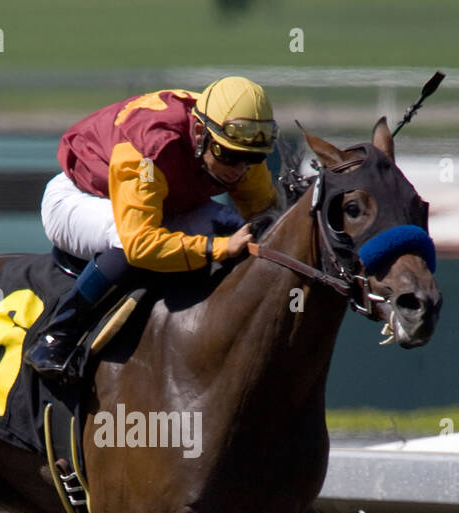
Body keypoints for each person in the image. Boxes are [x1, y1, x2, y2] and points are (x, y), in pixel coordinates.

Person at [24, 75, 281, 381]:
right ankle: (57, 336)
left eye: (252, 160)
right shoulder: (150, 147)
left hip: (162, 203)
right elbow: (140, 243)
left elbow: (266, 219)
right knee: (124, 238)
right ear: (200, 132)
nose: (239, 169)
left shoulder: (237, 139)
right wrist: (218, 248)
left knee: (235, 226)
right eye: (228, 156)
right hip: (79, 198)